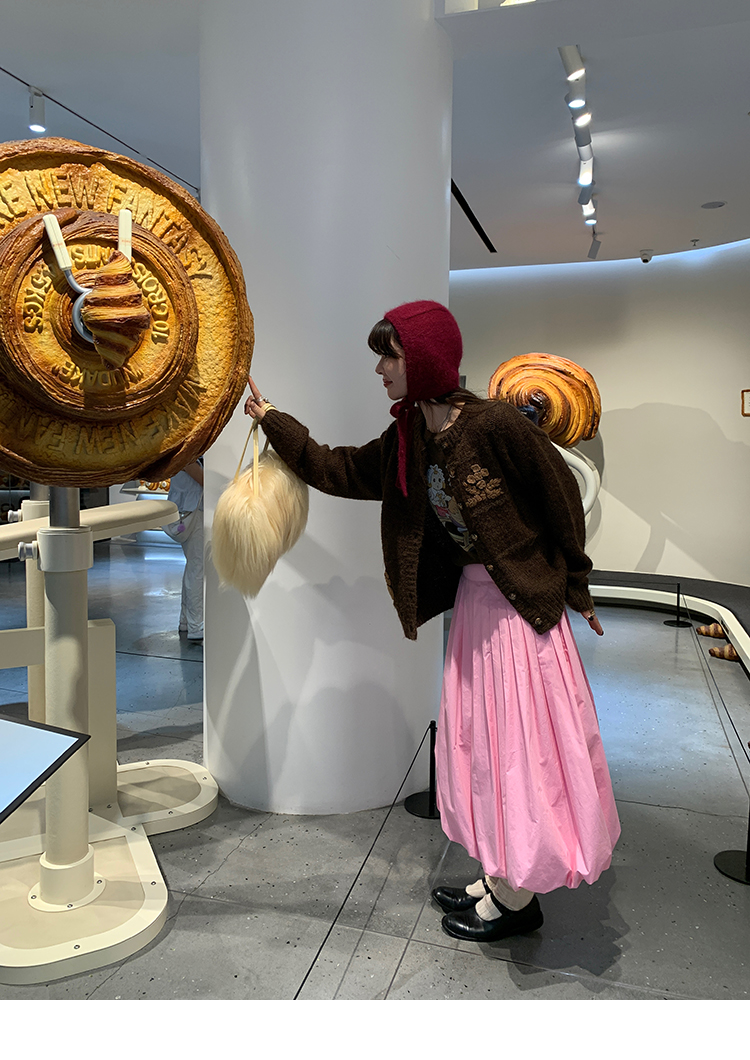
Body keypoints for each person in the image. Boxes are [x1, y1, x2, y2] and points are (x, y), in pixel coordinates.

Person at [244, 300, 620, 942]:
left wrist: (576, 585)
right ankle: (500, 873)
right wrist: (273, 419)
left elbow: (560, 495)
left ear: (423, 358)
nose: (380, 370)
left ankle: (519, 896)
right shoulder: (408, 437)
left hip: (520, 614)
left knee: (520, 751)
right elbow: (338, 468)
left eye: (389, 356)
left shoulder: (495, 424)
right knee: (484, 746)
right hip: (477, 608)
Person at [164, 458, 204, 641]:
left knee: (193, 566)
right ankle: (196, 625)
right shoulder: (188, 458)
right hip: (193, 512)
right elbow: (203, 479)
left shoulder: (185, 456)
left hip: (187, 511)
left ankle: (186, 621)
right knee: (197, 568)